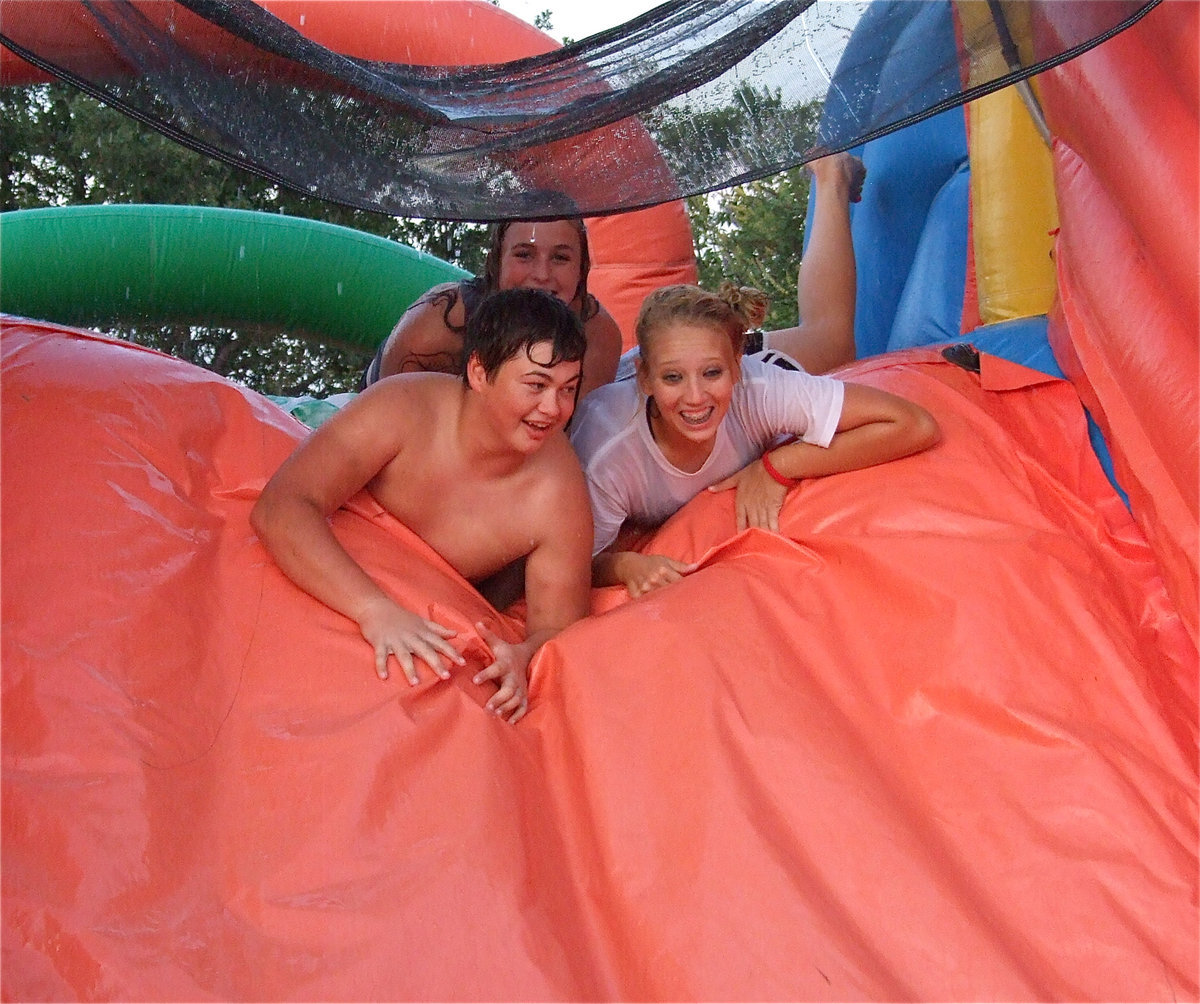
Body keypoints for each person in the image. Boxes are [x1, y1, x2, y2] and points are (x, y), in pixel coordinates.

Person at [253, 288, 594, 723]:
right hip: (336, 589)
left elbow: (560, 630)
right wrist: (371, 608)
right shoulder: (402, 409)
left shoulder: (558, 493)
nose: (553, 408)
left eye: (568, 389)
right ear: (479, 372)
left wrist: (524, 656)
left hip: (424, 634)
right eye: (535, 385)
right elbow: (282, 506)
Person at [569, 283, 940, 598]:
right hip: (620, 399)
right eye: (673, 379)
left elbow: (913, 424)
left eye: (712, 373)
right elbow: (575, 562)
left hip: (772, 363)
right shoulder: (609, 451)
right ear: (646, 379)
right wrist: (623, 564)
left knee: (832, 338)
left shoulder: (757, 388)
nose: (695, 396)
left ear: (736, 366)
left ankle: (831, 194)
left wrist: (778, 466)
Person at [362, 216, 624, 401]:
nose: (542, 274)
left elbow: (568, 441)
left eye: (560, 258)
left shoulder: (597, 337)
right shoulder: (440, 324)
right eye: (524, 254)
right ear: (497, 261)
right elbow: (387, 427)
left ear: (581, 269)